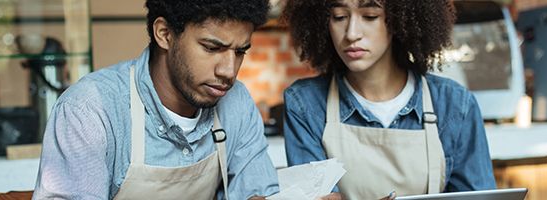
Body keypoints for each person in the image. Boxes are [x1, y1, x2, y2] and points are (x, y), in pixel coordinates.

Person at [33, 0, 279, 199]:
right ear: (164, 34)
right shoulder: (90, 110)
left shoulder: (236, 103)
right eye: (211, 48)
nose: (228, 71)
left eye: (239, 52)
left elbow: (257, 193)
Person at [281, 0, 497, 199]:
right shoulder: (305, 105)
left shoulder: (455, 105)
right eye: (339, 16)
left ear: (399, 19)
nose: (351, 33)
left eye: (370, 16)